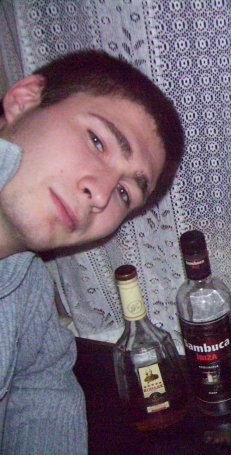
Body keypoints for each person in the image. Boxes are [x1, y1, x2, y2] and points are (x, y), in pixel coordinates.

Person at [0, 50, 184, 453]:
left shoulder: (28, 288)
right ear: (23, 101)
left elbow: (44, 389)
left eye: (124, 193)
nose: (100, 194)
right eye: (97, 141)